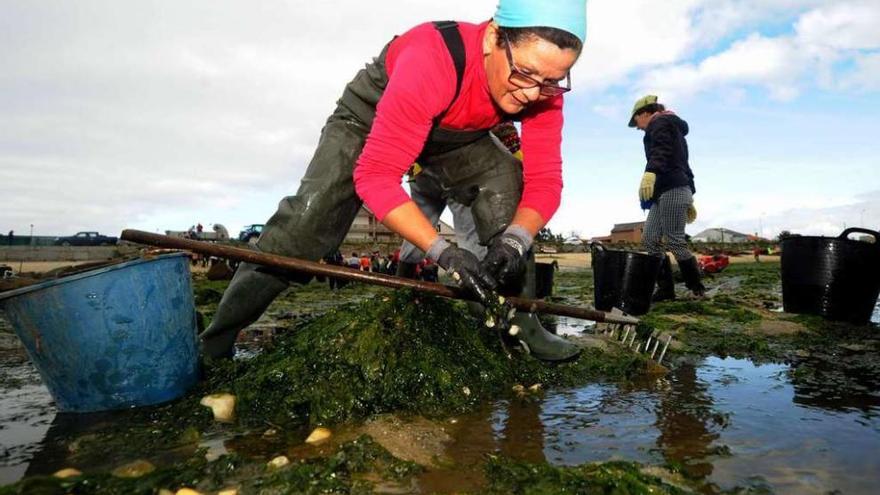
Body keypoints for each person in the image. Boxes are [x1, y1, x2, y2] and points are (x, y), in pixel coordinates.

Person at [200, 0, 587, 359]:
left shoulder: (543, 92)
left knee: (506, 183)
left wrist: (515, 242)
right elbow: (375, 176)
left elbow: (546, 180)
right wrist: (444, 252)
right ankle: (218, 337)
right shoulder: (431, 56)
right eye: (525, 73)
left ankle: (522, 324)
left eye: (553, 80)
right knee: (306, 223)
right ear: (492, 37)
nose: (534, 93)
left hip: (455, 137)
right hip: (366, 120)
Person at [396, 121, 577, 361]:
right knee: (436, 230)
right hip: (443, 168)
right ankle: (476, 309)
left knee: (422, 231)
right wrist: (516, 157)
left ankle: (408, 295)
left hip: (430, 169)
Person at [629, 95, 705, 300]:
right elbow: (682, 162)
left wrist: (651, 171)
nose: (638, 127)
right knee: (650, 239)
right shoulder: (668, 125)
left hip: (673, 188)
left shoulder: (660, 122)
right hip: (664, 191)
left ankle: (697, 289)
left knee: (675, 240)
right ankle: (665, 289)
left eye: (636, 122)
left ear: (644, 113)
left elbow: (661, 149)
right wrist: (691, 192)